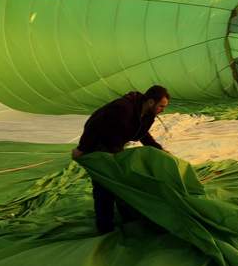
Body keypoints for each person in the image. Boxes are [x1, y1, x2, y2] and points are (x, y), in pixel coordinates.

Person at [72, 85, 170, 234]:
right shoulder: (123, 108)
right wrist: (82, 148)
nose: (162, 110)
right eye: (161, 106)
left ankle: (128, 216)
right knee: (104, 186)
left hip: (115, 146)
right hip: (98, 145)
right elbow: (94, 124)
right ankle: (104, 226)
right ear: (151, 102)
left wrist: (159, 149)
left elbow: (142, 133)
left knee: (121, 181)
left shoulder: (147, 114)